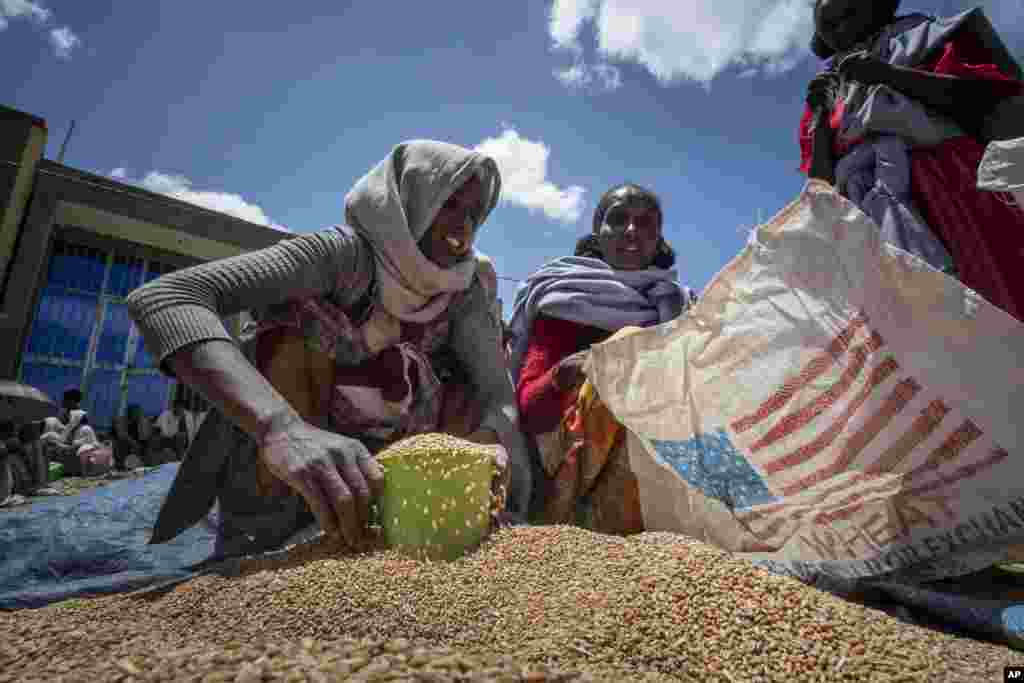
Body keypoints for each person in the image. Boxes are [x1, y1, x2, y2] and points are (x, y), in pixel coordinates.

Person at [127, 140, 532, 557]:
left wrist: (488, 443)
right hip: (297, 461)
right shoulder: (343, 255)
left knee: (470, 388)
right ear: (412, 199)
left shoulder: (464, 290)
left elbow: (498, 393)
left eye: (473, 212)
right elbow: (168, 298)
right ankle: (273, 536)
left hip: (398, 476)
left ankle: (413, 529)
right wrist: (281, 429)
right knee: (292, 335)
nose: (463, 225)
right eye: (449, 204)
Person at [801, 0, 1024, 319]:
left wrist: (888, 75)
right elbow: (820, 186)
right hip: (867, 219)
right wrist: (820, 119)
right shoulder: (830, 86)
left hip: (953, 188)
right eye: (828, 27)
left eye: (848, 15)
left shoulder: (927, 35)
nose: (840, 31)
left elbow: (988, 101)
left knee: (991, 297)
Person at [508, 183, 695, 534]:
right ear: (597, 230)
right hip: (566, 457)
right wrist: (563, 376)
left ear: (658, 238)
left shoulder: (677, 307)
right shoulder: (561, 295)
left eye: (646, 224)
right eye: (619, 219)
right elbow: (528, 406)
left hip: (656, 455)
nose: (631, 231)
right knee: (629, 350)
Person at [154, 394, 200, 463]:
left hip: (181, 442)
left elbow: (191, 433)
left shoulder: (188, 416)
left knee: (181, 437)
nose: (179, 409)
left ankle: (180, 459)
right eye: (177, 407)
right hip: (166, 439)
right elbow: (157, 428)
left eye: (181, 407)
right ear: (174, 407)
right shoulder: (166, 414)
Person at [112, 404, 155, 470]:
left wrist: (144, 423)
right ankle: (122, 465)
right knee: (122, 443)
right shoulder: (121, 420)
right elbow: (122, 434)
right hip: (123, 446)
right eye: (136, 412)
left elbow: (145, 437)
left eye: (139, 412)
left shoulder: (139, 422)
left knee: (149, 443)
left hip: (135, 447)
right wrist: (134, 443)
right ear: (130, 412)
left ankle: (145, 463)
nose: (138, 414)